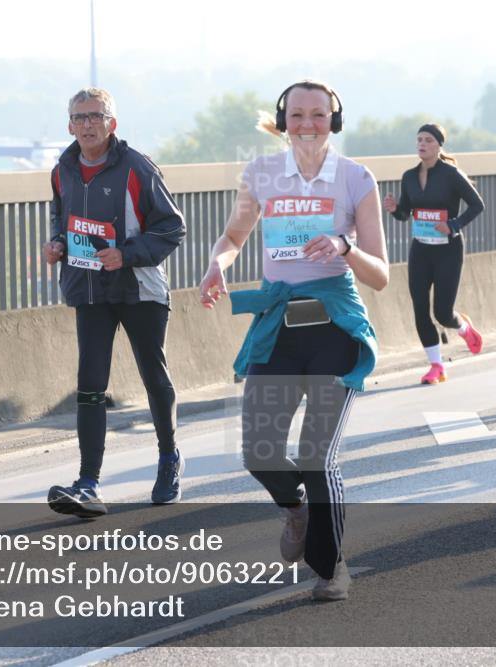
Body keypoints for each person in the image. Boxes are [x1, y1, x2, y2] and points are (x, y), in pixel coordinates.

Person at [199, 80, 388, 601]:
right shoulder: (260, 174)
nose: (308, 123)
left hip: (334, 327)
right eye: (298, 115)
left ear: (335, 120)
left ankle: (330, 570)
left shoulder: (356, 178)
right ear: (284, 121)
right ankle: (295, 509)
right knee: (259, 452)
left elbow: (380, 276)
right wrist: (217, 264)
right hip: (278, 328)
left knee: (316, 458)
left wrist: (345, 245)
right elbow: (235, 236)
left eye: (319, 115)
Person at [44, 87, 186, 518]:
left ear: (112, 123)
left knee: (151, 373)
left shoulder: (136, 167)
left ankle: (169, 459)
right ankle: (88, 484)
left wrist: (127, 254)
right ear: (69, 125)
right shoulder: (62, 170)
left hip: (138, 288)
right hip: (90, 290)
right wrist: (55, 244)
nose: (88, 124)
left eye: (96, 116)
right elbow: (60, 216)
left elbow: (171, 228)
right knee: (90, 383)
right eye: (79, 117)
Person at [383, 123, 485, 384]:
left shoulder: (451, 174)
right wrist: (395, 209)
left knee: (442, 312)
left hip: (448, 250)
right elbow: (406, 214)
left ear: (439, 145)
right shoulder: (408, 176)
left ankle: (463, 327)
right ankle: (436, 365)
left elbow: (477, 205)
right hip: (421, 249)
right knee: (419, 308)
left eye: (428, 140)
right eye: (419, 139)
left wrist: (452, 225)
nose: (422, 144)